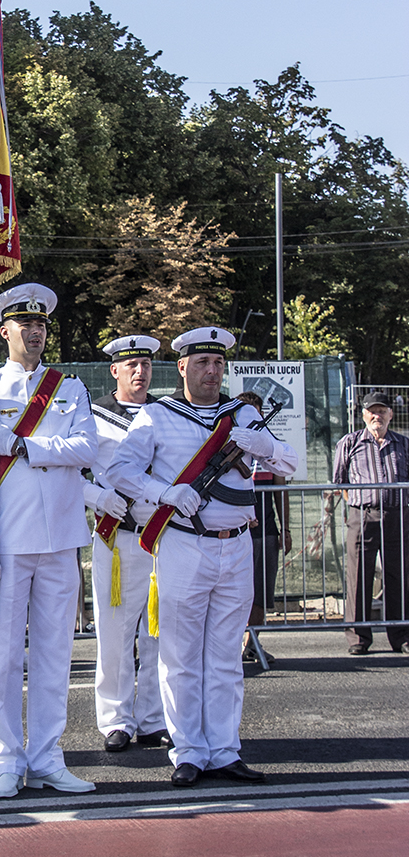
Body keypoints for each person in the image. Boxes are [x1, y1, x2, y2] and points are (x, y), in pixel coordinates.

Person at [105, 327, 298, 789]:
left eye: (218, 364)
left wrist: (263, 446)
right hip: (184, 544)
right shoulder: (156, 416)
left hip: (236, 545)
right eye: (202, 364)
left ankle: (225, 750)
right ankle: (189, 751)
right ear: (183, 368)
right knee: (181, 656)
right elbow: (118, 470)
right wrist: (164, 492)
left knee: (227, 657)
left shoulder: (244, 414)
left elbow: (291, 465)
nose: (211, 372)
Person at [0, 284, 98, 799]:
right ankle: (5, 761)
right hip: (9, 541)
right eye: (25, 324)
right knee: (0, 659)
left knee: (53, 654)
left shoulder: (69, 387)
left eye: (41, 325)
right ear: (4, 332)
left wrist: (25, 444)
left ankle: (47, 757)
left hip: (61, 539)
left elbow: (87, 445)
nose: (35, 332)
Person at [85, 335, 170, 754]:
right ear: (114, 370)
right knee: (115, 632)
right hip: (116, 536)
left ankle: (153, 718)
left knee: (158, 632)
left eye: (147, 365)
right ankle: (116, 718)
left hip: (163, 535)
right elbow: (71, 471)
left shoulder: (165, 413)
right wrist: (97, 497)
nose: (140, 372)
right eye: (131, 365)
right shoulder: (92, 415)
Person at [332, 391, 409, 655]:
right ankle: (358, 639)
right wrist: (356, 506)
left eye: (382, 410)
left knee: (399, 577)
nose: (377, 415)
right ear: (363, 414)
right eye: (372, 411)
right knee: (358, 578)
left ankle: (401, 635)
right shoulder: (350, 442)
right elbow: (339, 481)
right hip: (362, 516)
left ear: (390, 414)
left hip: (398, 516)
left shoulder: (403, 443)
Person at [236, 392, 291, 665]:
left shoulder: (270, 443)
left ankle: (252, 642)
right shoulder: (229, 441)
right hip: (234, 527)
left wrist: (286, 528)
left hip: (265, 527)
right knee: (233, 590)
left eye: (257, 411)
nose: (253, 416)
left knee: (260, 589)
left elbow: (281, 487)